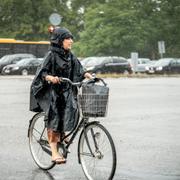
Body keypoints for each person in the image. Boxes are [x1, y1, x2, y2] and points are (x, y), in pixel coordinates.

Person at [30, 26, 93, 164]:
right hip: (50, 90)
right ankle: (54, 152)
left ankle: (63, 134)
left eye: (71, 38)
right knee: (55, 115)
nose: (70, 41)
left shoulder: (70, 55)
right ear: (59, 40)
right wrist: (50, 78)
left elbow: (79, 68)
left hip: (65, 89)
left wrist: (86, 74)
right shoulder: (51, 55)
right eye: (67, 38)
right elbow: (42, 73)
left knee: (72, 109)